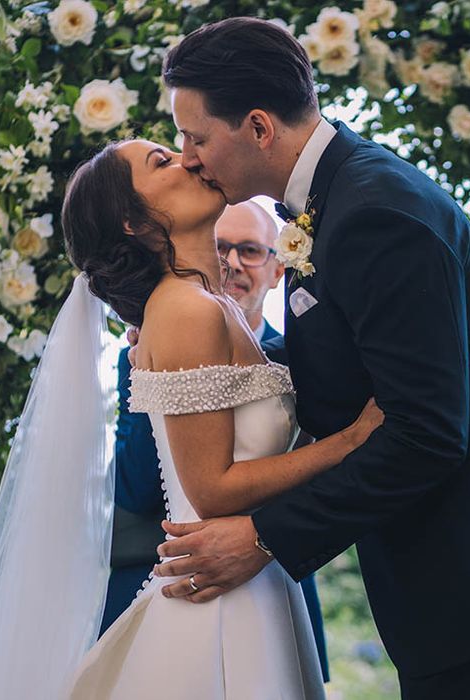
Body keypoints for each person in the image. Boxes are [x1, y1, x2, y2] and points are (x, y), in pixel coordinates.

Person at [149, 17, 470, 699]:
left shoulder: (375, 213)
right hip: (456, 591)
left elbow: (426, 434)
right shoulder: (329, 204)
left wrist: (266, 538)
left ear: (257, 126)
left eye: (195, 137)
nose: (188, 156)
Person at [0, 137, 384, 699]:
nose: (190, 158)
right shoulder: (182, 310)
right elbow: (213, 490)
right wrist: (349, 443)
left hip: (256, 579)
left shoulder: (207, 305)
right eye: (162, 162)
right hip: (217, 600)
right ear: (132, 221)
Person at [102, 201, 330, 682]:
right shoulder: (146, 347)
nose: (231, 262)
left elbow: (323, 477)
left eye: (249, 250)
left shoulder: (305, 358)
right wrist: (162, 377)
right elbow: (138, 487)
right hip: (180, 583)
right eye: (219, 247)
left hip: (277, 574)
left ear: (276, 269)